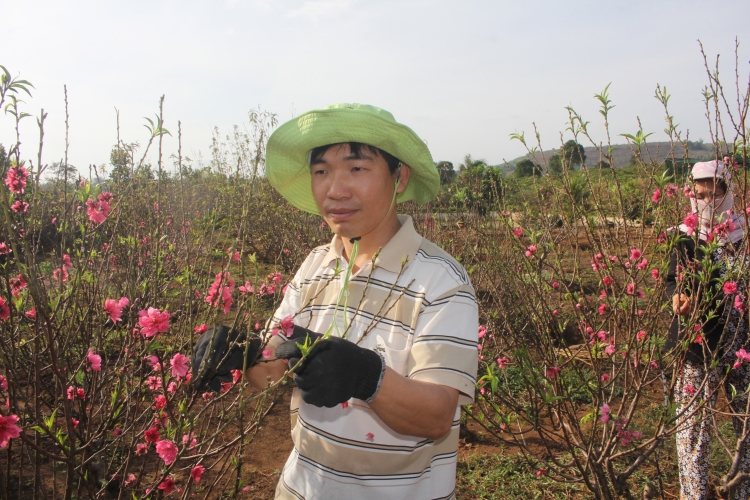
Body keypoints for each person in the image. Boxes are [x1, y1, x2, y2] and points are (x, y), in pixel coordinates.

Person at [192, 103, 478, 499]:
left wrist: (367, 376)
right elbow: (271, 371)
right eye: (321, 171)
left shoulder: (441, 281)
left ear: (399, 177)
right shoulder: (315, 266)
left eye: (357, 169)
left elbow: (436, 415)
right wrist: (242, 355)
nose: (335, 190)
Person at [665, 158, 750, 499]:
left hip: (743, 345)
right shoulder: (685, 238)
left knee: (746, 427)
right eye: (698, 195)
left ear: (727, 193)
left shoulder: (742, 236)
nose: (705, 202)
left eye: (713, 194)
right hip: (699, 349)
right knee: (692, 433)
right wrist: (678, 297)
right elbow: (672, 282)